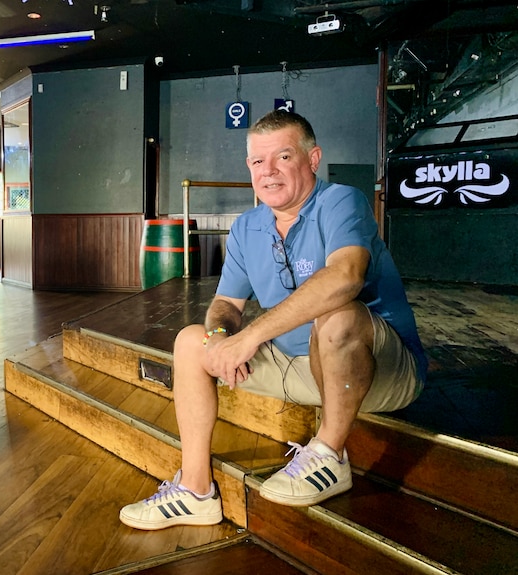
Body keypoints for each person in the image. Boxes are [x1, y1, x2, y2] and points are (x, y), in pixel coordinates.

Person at [119, 110, 427, 531]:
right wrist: (221, 338)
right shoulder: (248, 226)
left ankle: (330, 455)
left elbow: (346, 277)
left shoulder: (340, 201)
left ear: (313, 158)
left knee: (337, 317)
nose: (268, 172)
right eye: (257, 162)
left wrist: (252, 337)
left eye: (283, 157)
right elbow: (226, 305)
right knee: (192, 340)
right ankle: (195, 491)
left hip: (375, 373)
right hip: (294, 368)